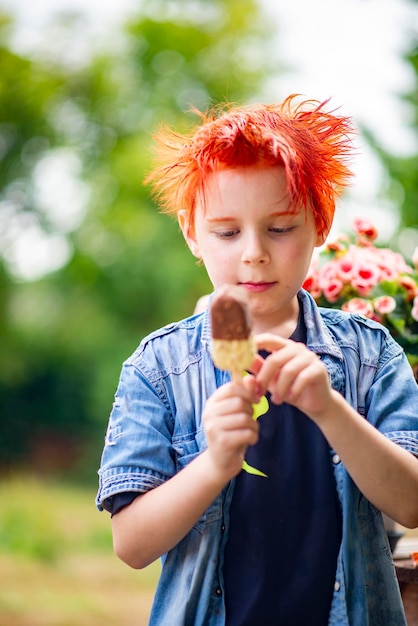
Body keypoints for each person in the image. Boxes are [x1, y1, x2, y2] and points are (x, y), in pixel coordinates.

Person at [96, 96, 418, 626]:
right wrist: (215, 463)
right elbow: (131, 545)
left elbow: (410, 505)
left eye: (280, 228)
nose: (254, 253)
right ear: (191, 234)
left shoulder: (370, 354)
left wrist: (331, 409)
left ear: (320, 222)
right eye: (227, 232)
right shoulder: (159, 367)